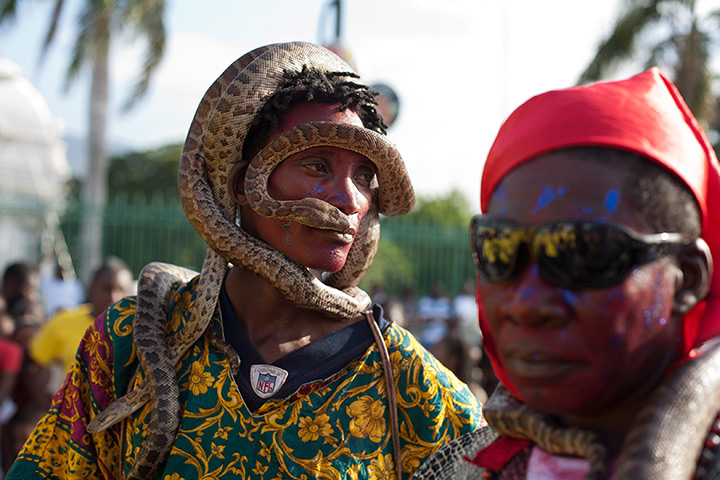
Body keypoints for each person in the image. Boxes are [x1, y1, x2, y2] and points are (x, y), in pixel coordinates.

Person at [7, 42, 483, 480]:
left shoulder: (418, 390)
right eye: (317, 166)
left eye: (363, 175)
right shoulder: (128, 341)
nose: (348, 198)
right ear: (240, 183)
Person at [412, 67, 720, 479]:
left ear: (687, 276)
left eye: (582, 252)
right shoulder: (456, 466)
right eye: (499, 249)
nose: (526, 303)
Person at [28, 257, 133, 375]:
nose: (114, 297)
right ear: (91, 290)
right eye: (106, 289)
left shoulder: (138, 330)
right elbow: (34, 362)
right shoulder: (64, 322)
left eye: (121, 290)